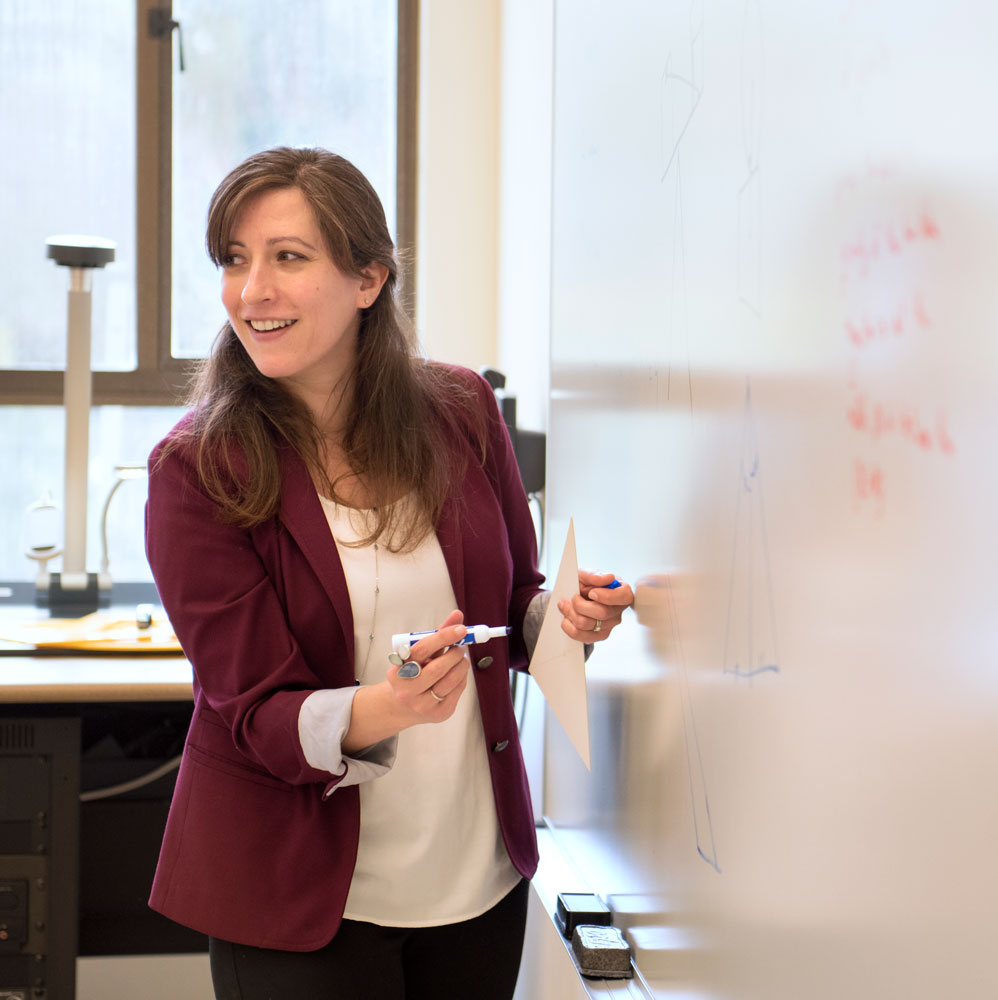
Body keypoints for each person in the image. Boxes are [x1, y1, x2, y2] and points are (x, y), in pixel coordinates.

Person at [145, 146, 633, 1000]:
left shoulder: (460, 409)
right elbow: (255, 711)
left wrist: (564, 621)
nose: (250, 291)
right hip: (300, 893)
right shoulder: (196, 468)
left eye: (287, 258)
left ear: (368, 279)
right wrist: (389, 706)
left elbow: (512, 600)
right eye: (234, 259)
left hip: (473, 875)